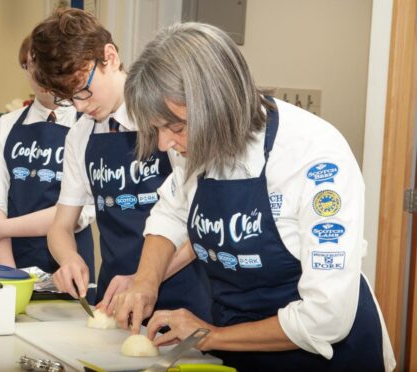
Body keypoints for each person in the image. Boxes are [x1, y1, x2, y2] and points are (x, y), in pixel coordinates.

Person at [113, 22, 395, 372]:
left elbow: (326, 318)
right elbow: (172, 210)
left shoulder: (314, 157)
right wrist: (145, 281)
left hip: (325, 357)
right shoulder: (190, 139)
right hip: (235, 345)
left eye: (176, 129)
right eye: (156, 130)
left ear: (217, 107)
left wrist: (210, 335)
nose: (163, 144)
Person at [30, 8, 211, 320]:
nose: (81, 106)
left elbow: (200, 227)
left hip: (183, 294)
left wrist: (146, 280)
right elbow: (60, 227)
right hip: (114, 297)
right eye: (69, 99)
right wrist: (69, 258)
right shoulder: (81, 136)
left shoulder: (169, 119)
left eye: (84, 91)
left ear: (109, 57)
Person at [0, 35, 95, 286]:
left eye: (48, 65)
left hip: (67, 266)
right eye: (31, 64)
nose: (40, 75)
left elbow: (75, 212)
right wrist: (11, 281)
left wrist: (2, 228)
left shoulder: (89, 125)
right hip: (4, 260)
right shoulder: (6, 126)